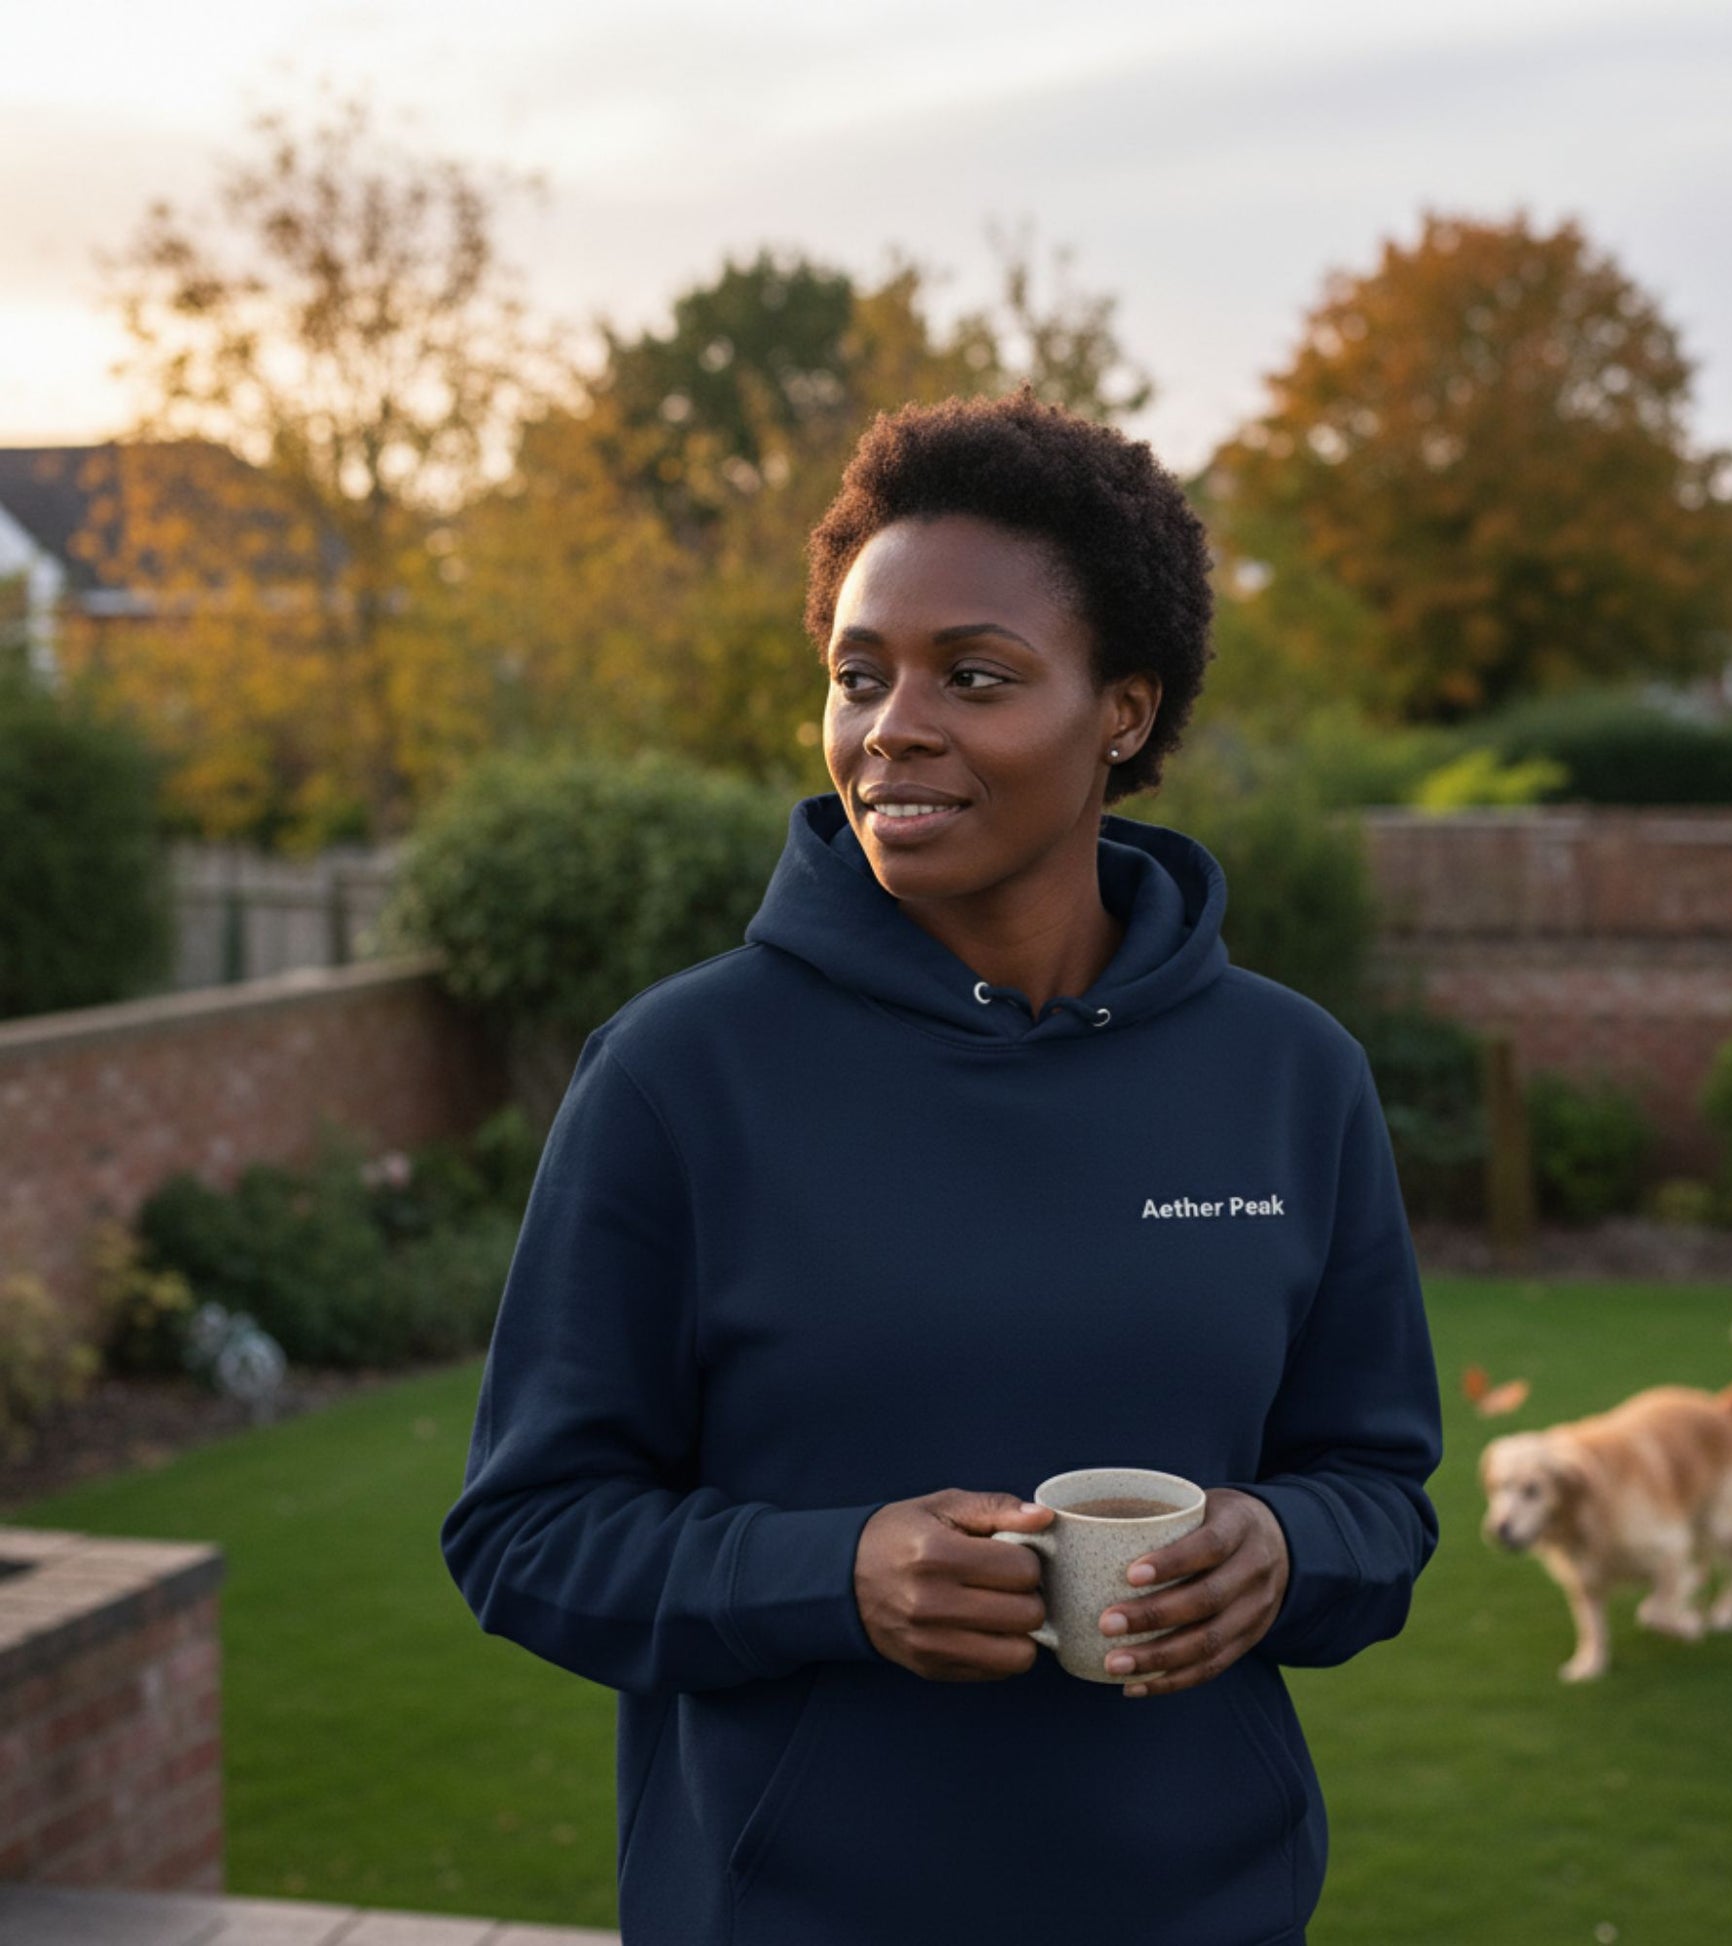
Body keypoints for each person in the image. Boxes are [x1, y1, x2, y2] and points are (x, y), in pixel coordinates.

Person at [440, 387, 1443, 1946]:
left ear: (1121, 708)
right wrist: (827, 1573)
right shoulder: (678, 1075)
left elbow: (1378, 1488)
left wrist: (1288, 1547)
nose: (891, 725)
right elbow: (526, 1531)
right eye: (857, 674)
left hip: (1205, 1909)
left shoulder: (1288, 1075)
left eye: (972, 675)